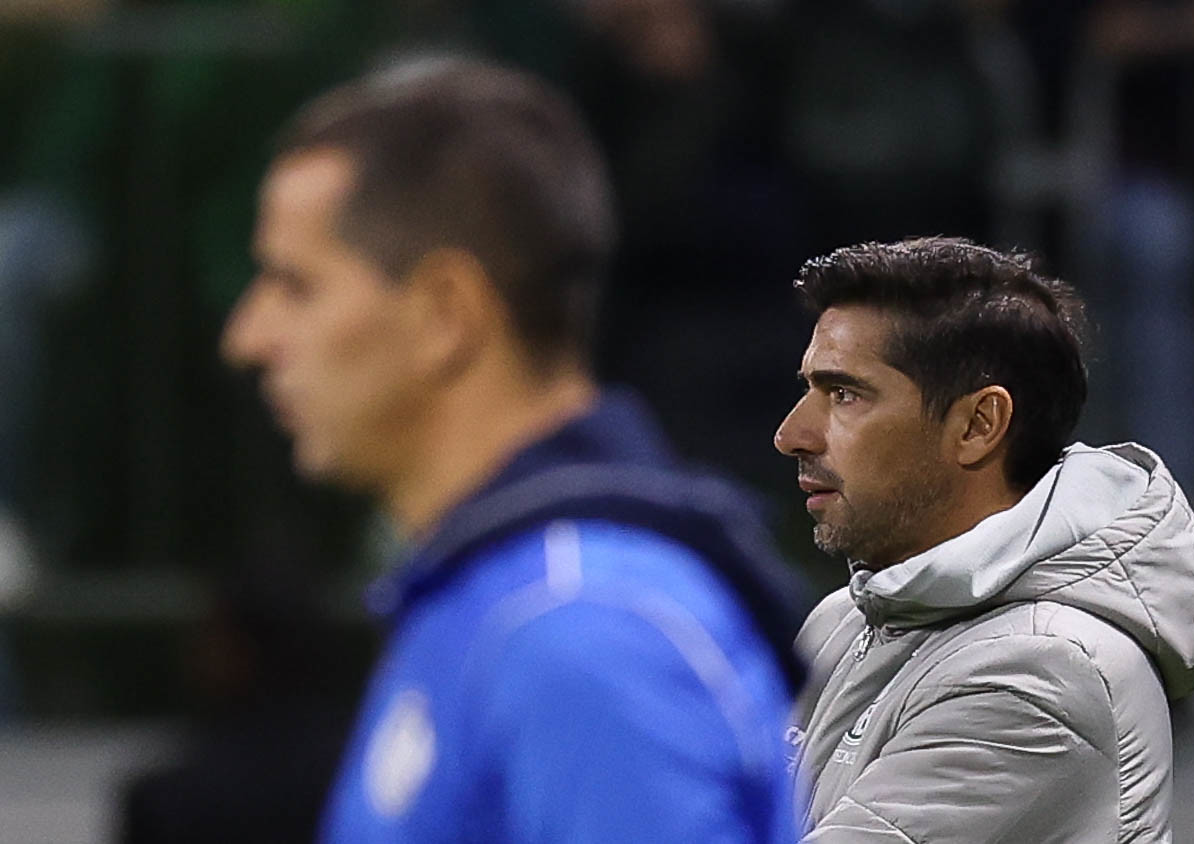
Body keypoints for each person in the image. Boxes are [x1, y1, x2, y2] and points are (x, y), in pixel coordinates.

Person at [220, 56, 807, 843]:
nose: (247, 337)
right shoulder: (505, 600)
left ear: (444, 314)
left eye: (295, 284)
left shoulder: (579, 634)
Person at [773, 237, 1194, 842]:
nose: (791, 434)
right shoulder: (845, 621)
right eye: (808, 389)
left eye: (846, 394)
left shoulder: (1041, 674)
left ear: (978, 425)